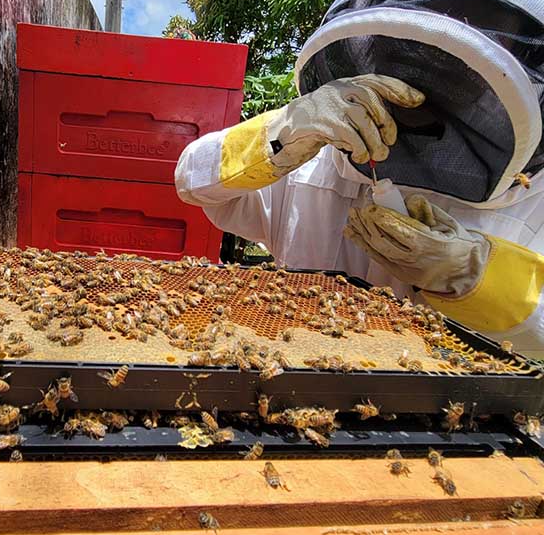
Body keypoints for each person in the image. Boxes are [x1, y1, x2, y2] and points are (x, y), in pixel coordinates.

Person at [175, 74, 544, 355]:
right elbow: (191, 180)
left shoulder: (527, 192)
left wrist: (475, 274)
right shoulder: (310, 162)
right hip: (290, 371)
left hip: (445, 414)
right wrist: (281, 133)